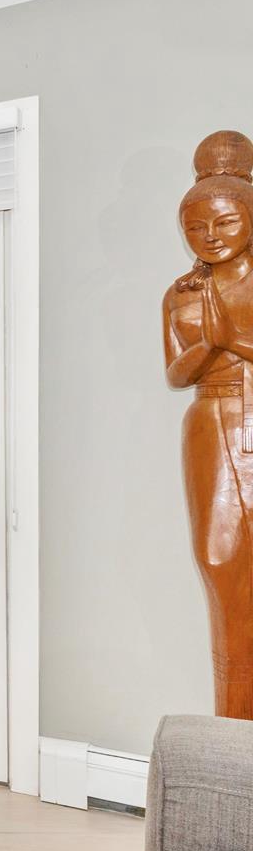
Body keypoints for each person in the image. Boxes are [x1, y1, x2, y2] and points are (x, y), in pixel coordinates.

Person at [163, 130, 253, 719]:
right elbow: (176, 371)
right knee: (220, 561)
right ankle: (233, 726)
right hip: (212, 419)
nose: (211, 236)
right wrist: (210, 341)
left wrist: (228, 334)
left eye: (225, 222)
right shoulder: (183, 292)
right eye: (198, 229)